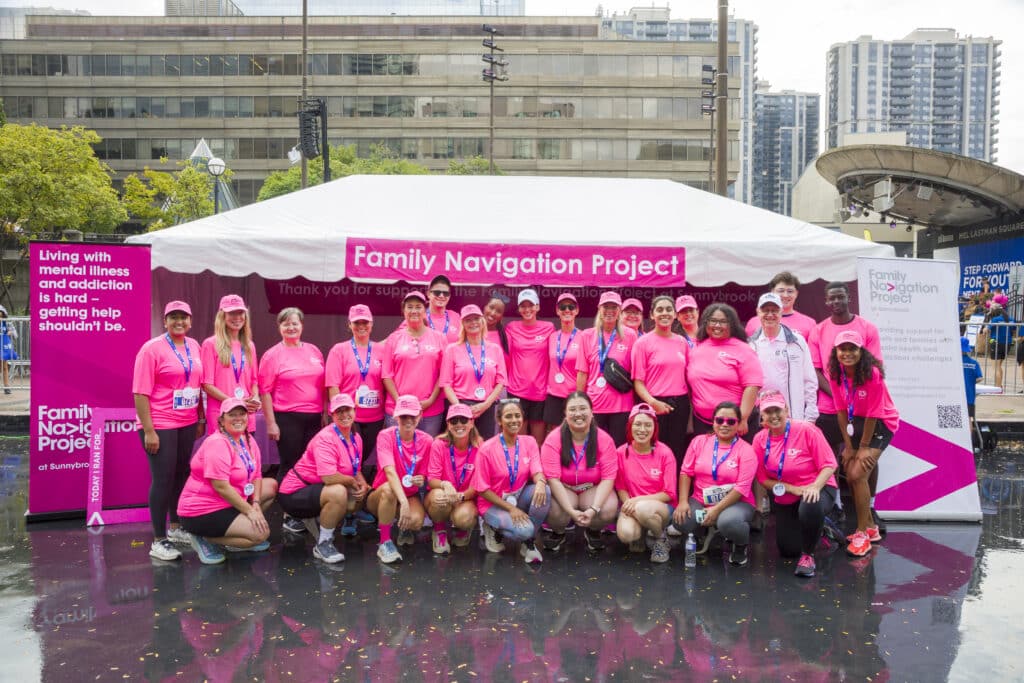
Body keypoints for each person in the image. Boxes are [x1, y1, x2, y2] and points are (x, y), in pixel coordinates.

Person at [808, 281, 884, 530]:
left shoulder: (867, 328)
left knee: (865, 458)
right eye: (831, 298)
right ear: (826, 301)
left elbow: (872, 367)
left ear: (848, 297)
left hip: (862, 409)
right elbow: (815, 370)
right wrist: (838, 393)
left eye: (840, 297)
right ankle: (837, 506)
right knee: (829, 456)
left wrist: (850, 397)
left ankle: (869, 507)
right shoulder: (818, 331)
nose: (836, 302)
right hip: (830, 407)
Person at [133, 300, 205, 561]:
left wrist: (200, 417)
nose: (179, 322)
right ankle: (158, 539)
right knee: (162, 479)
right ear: (165, 321)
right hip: (160, 423)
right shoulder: (151, 349)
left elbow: (196, 385)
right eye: (173, 317)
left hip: (186, 421)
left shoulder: (194, 346)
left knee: (181, 474)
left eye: (184, 317)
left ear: (190, 320)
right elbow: (140, 393)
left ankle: (175, 528)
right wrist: (149, 430)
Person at [178, 399, 278, 564]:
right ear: (222, 421)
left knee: (270, 486)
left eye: (242, 414)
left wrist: (257, 504)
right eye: (232, 415)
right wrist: (250, 511)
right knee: (261, 535)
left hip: (229, 502)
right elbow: (221, 486)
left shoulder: (248, 439)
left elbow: (257, 475)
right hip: (201, 510)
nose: (238, 418)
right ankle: (204, 538)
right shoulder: (217, 443)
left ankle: (236, 536)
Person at [828, 330, 899, 558]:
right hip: (854, 422)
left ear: (861, 351)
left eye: (852, 349)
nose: (847, 353)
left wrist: (864, 447)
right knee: (850, 471)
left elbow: (874, 413)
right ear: (836, 351)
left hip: (880, 424)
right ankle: (870, 528)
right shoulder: (835, 372)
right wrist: (849, 447)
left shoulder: (873, 373)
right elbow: (840, 412)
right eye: (843, 349)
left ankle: (862, 534)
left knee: (858, 474)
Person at [277, 393, 370, 564]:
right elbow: (329, 478)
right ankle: (323, 543)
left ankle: (319, 518)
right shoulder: (326, 438)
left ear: (355, 411)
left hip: (314, 488)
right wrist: (352, 482)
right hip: (293, 493)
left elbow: (354, 468)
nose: (344, 415)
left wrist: (363, 484)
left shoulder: (356, 437)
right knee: (338, 492)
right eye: (338, 412)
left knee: (356, 498)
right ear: (332, 415)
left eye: (347, 410)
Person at [752, 392, 838, 577]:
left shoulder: (806, 430)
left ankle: (808, 556)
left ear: (787, 410)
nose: (774, 416)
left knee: (809, 505)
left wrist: (814, 487)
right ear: (762, 416)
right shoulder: (759, 439)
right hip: (788, 493)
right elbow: (762, 479)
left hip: (818, 487)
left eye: (778, 410)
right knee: (788, 550)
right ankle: (820, 529)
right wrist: (793, 489)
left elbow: (830, 465)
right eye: (768, 411)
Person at [259, 306, 326, 536]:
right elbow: (265, 391)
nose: (291, 327)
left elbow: (322, 384)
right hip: (287, 417)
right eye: (285, 323)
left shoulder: (314, 351)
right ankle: (289, 515)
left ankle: (305, 509)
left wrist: (325, 411)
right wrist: (271, 423)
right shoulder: (272, 355)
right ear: (279, 327)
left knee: (311, 465)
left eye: (295, 323)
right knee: (290, 466)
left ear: (302, 325)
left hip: (314, 416)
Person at [672, 401, 757, 566]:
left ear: (738, 424)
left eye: (731, 421)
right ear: (713, 422)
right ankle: (701, 531)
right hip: (700, 498)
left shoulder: (746, 450)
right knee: (680, 519)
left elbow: (741, 488)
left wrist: (716, 510)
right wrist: (682, 502)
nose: (724, 425)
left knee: (727, 522)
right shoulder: (699, 442)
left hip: (737, 503)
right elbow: (685, 473)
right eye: (720, 420)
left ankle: (740, 545)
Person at [472, 398, 551, 564]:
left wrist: (541, 483)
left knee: (545, 493)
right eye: (508, 416)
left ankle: (527, 542)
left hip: (518, 498)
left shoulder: (529, 442)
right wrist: (510, 509)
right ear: (499, 421)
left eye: (517, 416)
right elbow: (481, 489)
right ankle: (493, 528)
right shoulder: (486, 449)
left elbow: (537, 470)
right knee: (526, 529)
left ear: (522, 417)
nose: (514, 420)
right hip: (492, 503)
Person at [540, 391, 619, 552]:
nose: (578, 414)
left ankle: (593, 531)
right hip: (565, 488)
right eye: (572, 409)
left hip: (591, 489)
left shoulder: (604, 439)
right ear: (565, 414)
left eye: (583, 408)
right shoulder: (553, 439)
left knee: (608, 508)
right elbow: (553, 479)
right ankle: (559, 532)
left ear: (592, 412)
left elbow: (608, 478)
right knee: (555, 510)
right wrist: (570, 511)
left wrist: (594, 509)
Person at [366, 394, 433, 564]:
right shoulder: (385, 436)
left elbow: (425, 475)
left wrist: (421, 479)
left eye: (412, 415)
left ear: (420, 416)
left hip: (409, 494)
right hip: (383, 494)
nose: (408, 420)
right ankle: (384, 542)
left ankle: (402, 527)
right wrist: (403, 502)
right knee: (389, 489)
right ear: (396, 417)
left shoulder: (427, 440)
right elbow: (389, 472)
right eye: (404, 416)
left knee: (417, 522)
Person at [325, 304, 385, 485]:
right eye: (356, 322)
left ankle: (358, 500)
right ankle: (346, 500)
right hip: (348, 418)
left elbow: (387, 380)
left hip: (374, 417)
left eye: (365, 322)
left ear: (372, 324)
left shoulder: (381, 350)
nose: (361, 326)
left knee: (360, 460)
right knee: (345, 460)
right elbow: (333, 386)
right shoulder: (339, 350)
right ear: (349, 325)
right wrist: (341, 414)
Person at [685, 303, 763, 439]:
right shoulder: (696, 349)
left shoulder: (744, 349)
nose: (717, 325)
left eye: (723, 322)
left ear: (732, 324)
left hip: (735, 424)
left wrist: (742, 418)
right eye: (713, 321)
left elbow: (752, 386)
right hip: (703, 423)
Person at [631, 295, 691, 465]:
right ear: (652, 315)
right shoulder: (642, 343)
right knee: (654, 451)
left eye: (668, 309)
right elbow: (638, 382)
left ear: (675, 315)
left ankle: (674, 491)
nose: (664, 313)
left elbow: (688, 376)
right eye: (660, 310)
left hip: (680, 404)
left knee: (677, 450)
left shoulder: (682, 342)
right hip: (654, 404)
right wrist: (653, 402)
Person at [614, 403, 677, 563]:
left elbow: (669, 494)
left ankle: (660, 539)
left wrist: (636, 501)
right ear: (630, 426)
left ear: (654, 428)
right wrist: (628, 502)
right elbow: (620, 486)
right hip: (632, 505)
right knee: (627, 535)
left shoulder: (665, 453)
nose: (642, 430)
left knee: (643, 508)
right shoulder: (621, 452)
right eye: (638, 424)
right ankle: (640, 535)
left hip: (660, 508)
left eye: (648, 425)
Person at [381, 291, 447, 436]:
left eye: (418, 307)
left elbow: (444, 374)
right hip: (398, 409)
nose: (414, 311)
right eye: (410, 307)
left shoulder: (439, 338)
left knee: (426, 454)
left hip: (430, 410)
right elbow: (386, 375)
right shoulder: (394, 338)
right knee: (398, 454)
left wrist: (430, 400)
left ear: (425, 310)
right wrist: (401, 402)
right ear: (403, 311)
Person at [576, 291, 638, 445]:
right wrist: (579, 403)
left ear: (619, 311)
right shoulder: (587, 335)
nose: (610, 311)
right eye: (606, 306)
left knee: (618, 448)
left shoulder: (630, 335)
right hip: (595, 404)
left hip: (621, 404)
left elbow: (635, 372)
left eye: (614, 307)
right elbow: (582, 373)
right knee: (594, 449)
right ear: (599, 309)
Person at [440, 304, 507, 439]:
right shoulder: (452, 349)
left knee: (484, 448)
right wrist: (460, 408)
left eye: (476, 318)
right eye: (468, 320)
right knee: (460, 447)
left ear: (482, 321)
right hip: (460, 404)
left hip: (486, 406)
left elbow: (501, 381)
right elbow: (446, 384)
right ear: (463, 324)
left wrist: (485, 405)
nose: (473, 323)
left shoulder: (495, 349)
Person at [748, 293, 817, 422]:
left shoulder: (797, 341)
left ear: (781, 312)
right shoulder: (750, 345)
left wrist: (811, 413)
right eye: (765, 310)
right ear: (758, 312)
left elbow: (809, 379)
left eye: (774, 310)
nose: (770, 314)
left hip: (793, 416)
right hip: (761, 418)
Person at [425, 404, 483, 554]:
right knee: (438, 496)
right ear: (448, 425)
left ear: (471, 423)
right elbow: (432, 479)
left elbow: (479, 484)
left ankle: (464, 529)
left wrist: (461, 496)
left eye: (463, 420)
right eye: (454, 421)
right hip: (444, 493)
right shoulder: (439, 444)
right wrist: (445, 484)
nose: (459, 424)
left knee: (464, 519)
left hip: (466, 497)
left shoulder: (480, 446)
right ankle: (439, 531)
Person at [200, 294, 260, 437]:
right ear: (222, 316)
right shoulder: (210, 344)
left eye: (240, 313)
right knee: (223, 458)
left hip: (245, 415)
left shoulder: (249, 345)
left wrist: (255, 398)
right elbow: (207, 384)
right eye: (232, 313)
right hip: (221, 415)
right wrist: (234, 402)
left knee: (245, 457)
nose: (237, 317)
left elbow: (254, 381)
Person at [505, 288, 555, 446]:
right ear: (519, 309)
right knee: (518, 441)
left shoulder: (549, 327)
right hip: (515, 391)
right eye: (523, 306)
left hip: (539, 392)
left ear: (538, 307)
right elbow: (506, 358)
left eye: (531, 305)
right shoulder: (511, 327)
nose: (527, 309)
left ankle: (536, 470)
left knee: (537, 442)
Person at [544, 292, 584, 430]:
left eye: (571, 307)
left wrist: (580, 395)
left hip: (573, 395)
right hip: (553, 395)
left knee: (574, 434)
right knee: (553, 434)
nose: (567, 310)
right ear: (557, 311)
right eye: (563, 307)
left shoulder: (584, 337)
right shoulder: (552, 337)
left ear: (576, 310)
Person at [744, 272, 817, 340]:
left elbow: (811, 353)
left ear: (796, 294)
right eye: (781, 291)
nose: (785, 295)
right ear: (772, 292)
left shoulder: (810, 323)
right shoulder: (753, 323)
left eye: (790, 291)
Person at [425, 274, 462, 344]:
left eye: (445, 293)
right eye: (437, 292)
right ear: (428, 294)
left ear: (449, 296)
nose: (441, 296)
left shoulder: (456, 317)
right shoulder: (419, 316)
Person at [987, 302, 1015, 389]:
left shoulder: (995, 319)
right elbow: (1013, 331)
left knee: (996, 367)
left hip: (996, 343)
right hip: (1007, 344)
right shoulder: (1011, 319)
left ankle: (997, 387)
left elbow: (986, 330)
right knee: (999, 366)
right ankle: (999, 386)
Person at [962, 337, 983, 427]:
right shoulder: (974, 363)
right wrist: (970, 381)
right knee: (968, 419)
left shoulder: (953, 362)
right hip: (969, 396)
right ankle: (969, 440)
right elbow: (980, 378)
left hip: (955, 396)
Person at [0, 305, 17, 394]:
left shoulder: (6, 322)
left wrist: (10, 332)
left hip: (3, 347)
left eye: (0, 312)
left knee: (4, 367)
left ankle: (6, 386)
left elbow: (14, 333)